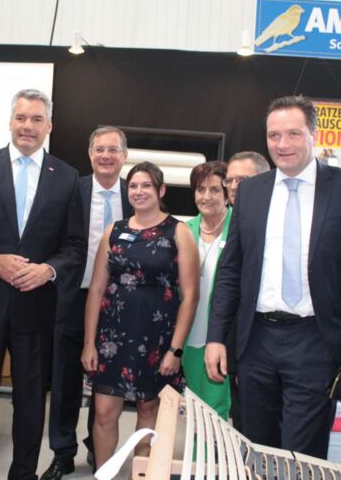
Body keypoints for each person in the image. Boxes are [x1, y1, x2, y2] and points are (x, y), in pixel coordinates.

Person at [205, 94, 341, 458]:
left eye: (293, 134)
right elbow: (231, 270)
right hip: (256, 341)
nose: (282, 144)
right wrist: (217, 336)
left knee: (303, 453)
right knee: (258, 448)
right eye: (274, 135)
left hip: (316, 341)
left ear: (314, 135)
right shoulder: (251, 192)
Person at [0, 89, 84, 480]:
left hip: (37, 307)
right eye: (21, 117)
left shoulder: (67, 177)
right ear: (10, 121)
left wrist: (48, 270)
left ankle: (23, 473)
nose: (27, 126)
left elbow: (75, 246)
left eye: (36, 119)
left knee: (30, 403)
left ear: (49, 126)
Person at [81, 162, 199, 470]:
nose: (139, 191)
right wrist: (89, 343)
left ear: (161, 190)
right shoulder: (114, 231)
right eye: (133, 185)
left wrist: (175, 350)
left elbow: (190, 296)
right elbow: (96, 289)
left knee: (148, 412)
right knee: (104, 413)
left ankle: (141, 474)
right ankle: (104, 475)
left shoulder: (179, 232)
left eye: (146, 185)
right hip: (112, 338)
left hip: (157, 338)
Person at [41, 126, 133, 480]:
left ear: (124, 156)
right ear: (90, 153)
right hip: (71, 298)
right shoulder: (71, 190)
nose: (106, 156)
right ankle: (62, 452)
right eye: (99, 149)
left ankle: (99, 446)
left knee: (107, 382)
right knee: (64, 379)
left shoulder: (136, 193)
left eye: (113, 149)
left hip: (117, 304)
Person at [223, 151, 269, 430]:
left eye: (242, 180)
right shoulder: (224, 221)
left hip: (264, 343)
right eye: (229, 180)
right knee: (243, 423)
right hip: (234, 343)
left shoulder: (272, 224)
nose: (234, 187)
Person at [183, 161, 232, 417]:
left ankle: (209, 447)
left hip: (223, 336)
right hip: (190, 333)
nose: (206, 197)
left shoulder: (239, 227)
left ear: (227, 194)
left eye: (214, 190)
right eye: (200, 189)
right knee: (195, 405)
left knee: (216, 408)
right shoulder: (185, 230)